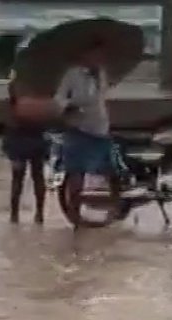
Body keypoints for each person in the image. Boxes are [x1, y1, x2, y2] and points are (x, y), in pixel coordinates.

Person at [53, 38, 112, 228]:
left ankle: (109, 210)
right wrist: (69, 107)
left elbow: (100, 99)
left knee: (106, 169)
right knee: (76, 171)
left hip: (99, 126)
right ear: (85, 55)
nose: (98, 58)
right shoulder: (73, 74)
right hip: (79, 127)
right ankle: (75, 215)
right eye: (95, 54)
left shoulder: (102, 74)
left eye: (101, 55)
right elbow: (59, 97)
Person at [3, 70, 48, 224]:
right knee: (37, 176)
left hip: (19, 135)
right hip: (34, 134)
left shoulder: (16, 82)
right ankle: (39, 215)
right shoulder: (41, 84)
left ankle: (15, 216)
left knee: (18, 177)